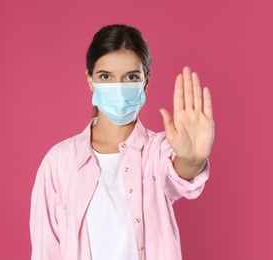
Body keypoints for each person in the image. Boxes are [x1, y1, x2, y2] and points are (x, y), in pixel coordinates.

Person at [30, 24, 215, 260]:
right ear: (90, 80)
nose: (118, 87)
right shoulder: (58, 162)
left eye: (131, 77)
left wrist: (193, 158)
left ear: (146, 81)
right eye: (106, 76)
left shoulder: (158, 151)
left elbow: (180, 173)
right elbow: (46, 250)